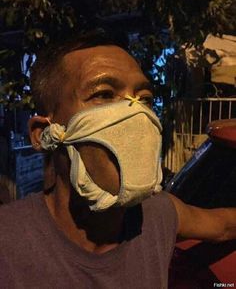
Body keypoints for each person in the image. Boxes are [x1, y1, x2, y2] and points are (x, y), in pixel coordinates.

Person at [0, 30, 235, 289]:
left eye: (145, 98)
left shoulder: (158, 213)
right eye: (103, 94)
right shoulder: (8, 241)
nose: (134, 113)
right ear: (43, 134)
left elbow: (223, 226)